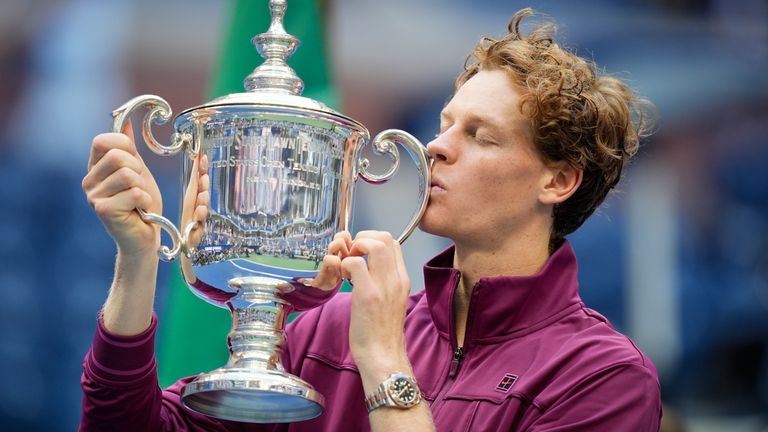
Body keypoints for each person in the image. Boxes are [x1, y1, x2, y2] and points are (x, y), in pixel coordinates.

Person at [80, 8, 661, 431]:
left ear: (557, 180)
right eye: (445, 124)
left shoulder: (601, 378)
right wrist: (136, 256)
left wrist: (384, 355)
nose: (436, 147)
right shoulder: (323, 330)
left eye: (480, 136)